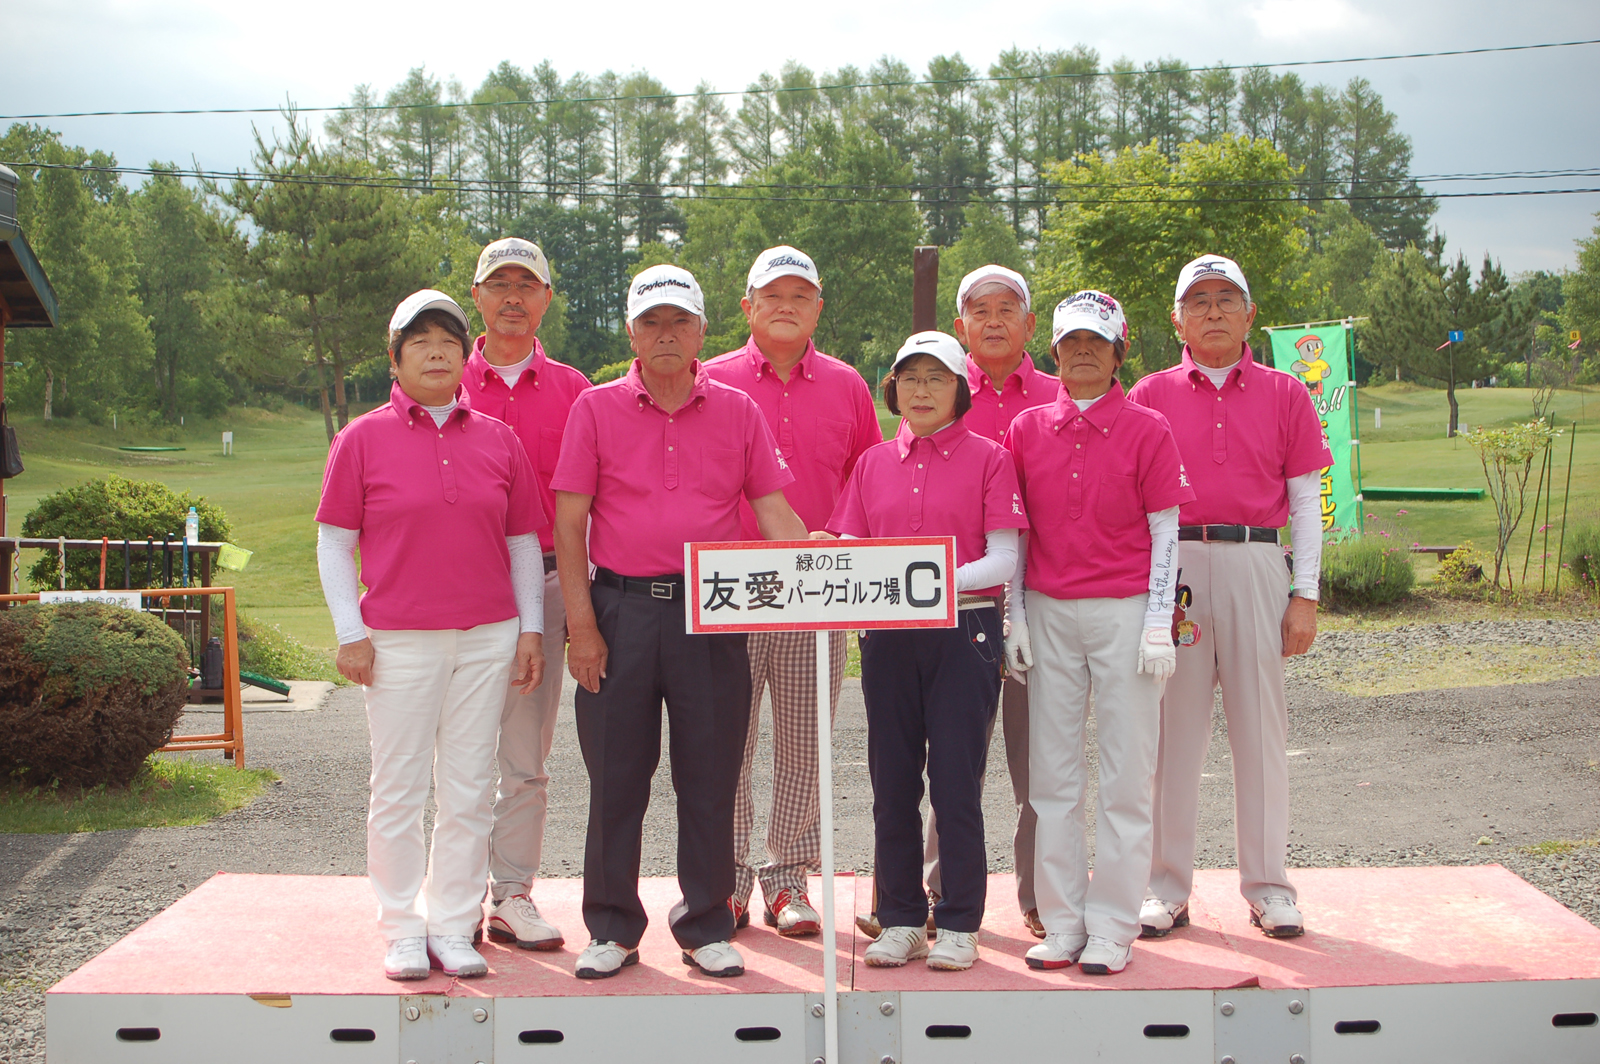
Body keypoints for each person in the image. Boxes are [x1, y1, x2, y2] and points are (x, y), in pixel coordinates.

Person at [550, 264, 810, 980]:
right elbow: (569, 525)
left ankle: (704, 923)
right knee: (616, 779)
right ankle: (612, 927)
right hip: (619, 611)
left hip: (711, 612)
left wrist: (824, 568)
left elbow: (774, 514)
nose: (665, 334)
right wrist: (582, 628)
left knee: (710, 776)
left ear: (701, 332)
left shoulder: (738, 410)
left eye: (679, 322)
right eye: (651, 322)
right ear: (632, 333)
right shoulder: (595, 408)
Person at [316, 290, 547, 981]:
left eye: (448, 340)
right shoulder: (360, 439)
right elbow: (334, 543)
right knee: (399, 788)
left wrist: (531, 629)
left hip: (487, 637)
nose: (437, 353)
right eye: (419, 342)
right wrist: (350, 632)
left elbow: (523, 543)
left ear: (464, 355)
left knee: (469, 787)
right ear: (395, 359)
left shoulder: (498, 438)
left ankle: (452, 924)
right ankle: (401, 927)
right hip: (397, 641)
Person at [1129, 255, 1330, 940]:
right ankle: (1165, 887)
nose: (1212, 311)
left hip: (1255, 560)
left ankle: (1269, 887)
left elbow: (1305, 501)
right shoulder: (1149, 394)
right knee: (1170, 735)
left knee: (1260, 732)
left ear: (1250, 314)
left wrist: (1306, 594)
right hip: (1175, 564)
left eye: (1226, 299)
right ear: (1177, 319)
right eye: (1198, 301)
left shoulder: (1286, 393)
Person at [1003, 291, 1194, 975]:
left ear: (1119, 353)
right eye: (1071, 343)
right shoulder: (1026, 428)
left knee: (1125, 775)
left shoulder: (1148, 428)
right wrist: (1015, 614)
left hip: (1126, 609)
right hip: (1050, 610)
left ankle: (1113, 925)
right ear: (1053, 353)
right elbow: (1015, 532)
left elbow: (1166, 529)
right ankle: (1063, 921)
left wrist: (1158, 621)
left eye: (1097, 343)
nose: (1083, 353)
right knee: (1052, 777)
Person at [827, 330, 1029, 972]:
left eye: (936, 378)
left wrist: (932, 582)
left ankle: (961, 921)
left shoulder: (991, 458)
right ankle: (901, 917)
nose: (921, 390)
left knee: (954, 783)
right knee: (891, 782)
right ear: (893, 390)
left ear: (960, 390)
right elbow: (851, 544)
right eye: (909, 378)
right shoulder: (872, 463)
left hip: (965, 632)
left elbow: (1003, 557)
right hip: (887, 636)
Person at [704, 246, 882, 937]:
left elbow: (868, 479)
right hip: (731, 588)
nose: (785, 306)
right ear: (746, 306)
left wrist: (848, 545)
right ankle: (727, 879)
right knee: (728, 743)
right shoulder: (711, 379)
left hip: (817, 589)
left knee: (807, 745)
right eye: (771, 295)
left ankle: (786, 880)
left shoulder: (846, 385)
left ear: (818, 308)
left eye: (799, 296)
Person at [919, 264, 1058, 938]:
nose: (994, 321)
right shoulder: (936, 390)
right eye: (981, 310)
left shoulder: (1061, 394)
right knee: (950, 759)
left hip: (1044, 599)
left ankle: (1043, 894)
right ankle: (938, 892)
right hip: (956, 603)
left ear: (1031, 324)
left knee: (1040, 760)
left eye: (1008, 309)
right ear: (960, 325)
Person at [464, 238, 591, 952]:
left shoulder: (575, 390)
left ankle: (511, 892)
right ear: (477, 295)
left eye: (527, 284)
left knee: (524, 754)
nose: (513, 296)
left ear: (546, 297)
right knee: (456, 751)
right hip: (458, 586)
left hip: (544, 582)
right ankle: (455, 896)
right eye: (499, 283)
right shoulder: (444, 376)